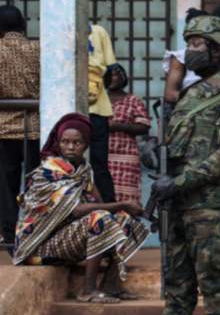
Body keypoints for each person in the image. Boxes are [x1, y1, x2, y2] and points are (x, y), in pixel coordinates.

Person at [106, 15, 220, 315]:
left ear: (217, 50)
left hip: (210, 206)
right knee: (178, 285)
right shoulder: (192, 94)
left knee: (214, 284)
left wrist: (181, 180)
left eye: (197, 44)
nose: (189, 51)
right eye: (189, 42)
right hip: (180, 205)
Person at [15, 113, 146, 303]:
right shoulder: (49, 172)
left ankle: (111, 284)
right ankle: (87, 289)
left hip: (66, 241)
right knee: (99, 217)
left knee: (122, 218)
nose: (70, 147)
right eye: (65, 142)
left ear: (86, 144)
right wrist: (121, 204)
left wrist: (122, 211)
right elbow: (75, 210)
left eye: (77, 142)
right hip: (40, 247)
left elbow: (101, 203)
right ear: (58, 143)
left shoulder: (84, 169)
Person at [0, 5, 40, 246]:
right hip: (34, 125)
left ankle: (9, 233)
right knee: (35, 181)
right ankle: (35, 230)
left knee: (6, 183)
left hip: (3, 127)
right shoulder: (37, 48)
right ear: (23, 25)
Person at [105, 64, 151, 204]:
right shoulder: (98, 100)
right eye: (110, 75)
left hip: (126, 155)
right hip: (102, 155)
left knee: (127, 197)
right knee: (105, 193)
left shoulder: (133, 100)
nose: (113, 78)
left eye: (117, 74)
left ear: (123, 78)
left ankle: (127, 224)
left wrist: (118, 126)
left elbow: (144, 126)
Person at [88, 22, 119, 202]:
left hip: (76, 108)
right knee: (99, 165)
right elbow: (110, 68)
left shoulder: (60, 29)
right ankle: (108, 211)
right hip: (97, 108)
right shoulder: (98, 31)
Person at [162, 8, 210, 116]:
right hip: (189, 112)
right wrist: (200, 100)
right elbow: (170, 94)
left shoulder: (217, 54)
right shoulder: (180, 58)